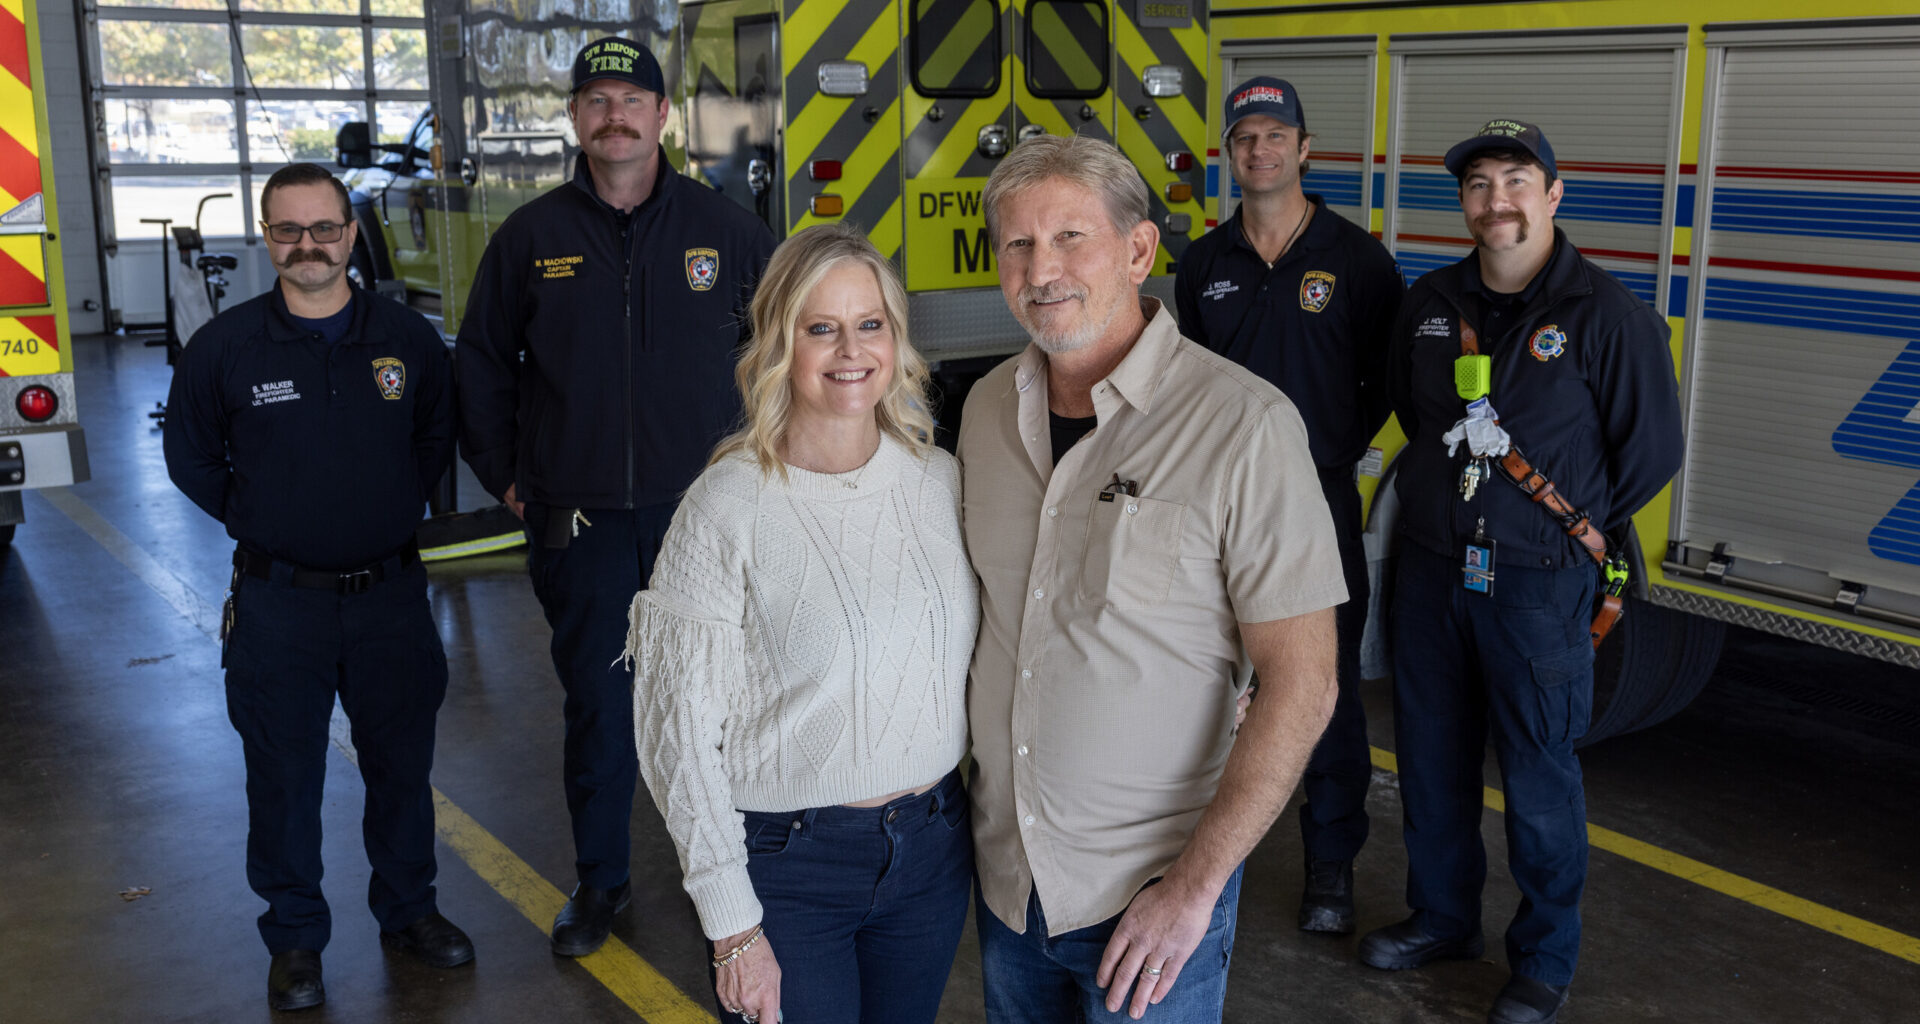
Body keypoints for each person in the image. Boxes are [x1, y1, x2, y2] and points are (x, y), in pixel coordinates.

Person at [959, 133, 1345, 1023]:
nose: (1040, 268)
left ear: (1138, 251)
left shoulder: (1243, 426)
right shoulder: (982, 412)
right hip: (1009, 889)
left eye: (1069, 238)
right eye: (1017, 243)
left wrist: (1194, 891)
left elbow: (1304, 684)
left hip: (1149, 909)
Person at [455, 37, 777, 957]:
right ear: (576, 119)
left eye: (632, 98)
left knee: (729, 704)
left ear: (663, 115)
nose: (615, 115)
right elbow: (480, 365)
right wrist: (507, 474)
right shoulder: (532, 239)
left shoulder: (729, 230)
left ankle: (740, 875)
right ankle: (602, 884)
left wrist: (765, 477)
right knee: (601, 709)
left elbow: (787, 353)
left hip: (706, 518)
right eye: (596, 99)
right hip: (578, 517)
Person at [1361, 120, 1683, 1024]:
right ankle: (1441, 918)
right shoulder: (1428, 303)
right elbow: (1411, 411)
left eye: (1515, 180)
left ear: (1552, 194)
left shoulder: (1606, 317)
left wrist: (1543, 520)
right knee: (1430, 759)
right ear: (1463, 202)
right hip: (1430, 574)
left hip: (1539, 582)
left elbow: (1650, 453)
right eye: (1477, 185)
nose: (1495, 200)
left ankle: (1543, 961)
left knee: (1539, 777)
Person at [627, 223, 978, 1024]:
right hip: (788, 869)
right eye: (821, 327)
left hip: (931, 849)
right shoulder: (728, 505)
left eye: (870, 324)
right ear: (781, 343)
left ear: (895, 339)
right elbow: (675, 731)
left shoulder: (940, 481)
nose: (849, 349)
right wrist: (732, 928)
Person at [163, 162, 469, 1011]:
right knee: (284, 777)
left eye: (324, 229)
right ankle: (295, 938)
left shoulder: (405, 340)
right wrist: (257, 514)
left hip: (391, 600)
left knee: (402, 769)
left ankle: (411, 913)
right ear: (268, 239)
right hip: (279, 605)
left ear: (349, 233)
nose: (309, 246)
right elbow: (187, 455)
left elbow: (435, 433)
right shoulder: (225, 348)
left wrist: (383, 505)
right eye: (288, 231)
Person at [1174, 76, 1404, 935]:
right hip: (1214, 512)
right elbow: (1185, 385)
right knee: (1196, 676)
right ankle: (1183, 848)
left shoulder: (1358, 260)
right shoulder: (1204, 264)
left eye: (1276, 137)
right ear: (1229, 155)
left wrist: (1336, 445)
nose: (1259, 152)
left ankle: (1330, 868)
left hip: (1319, 508)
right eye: (1244, 140)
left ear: (1305, 150)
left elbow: (1388, 378)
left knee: (1323, 688)